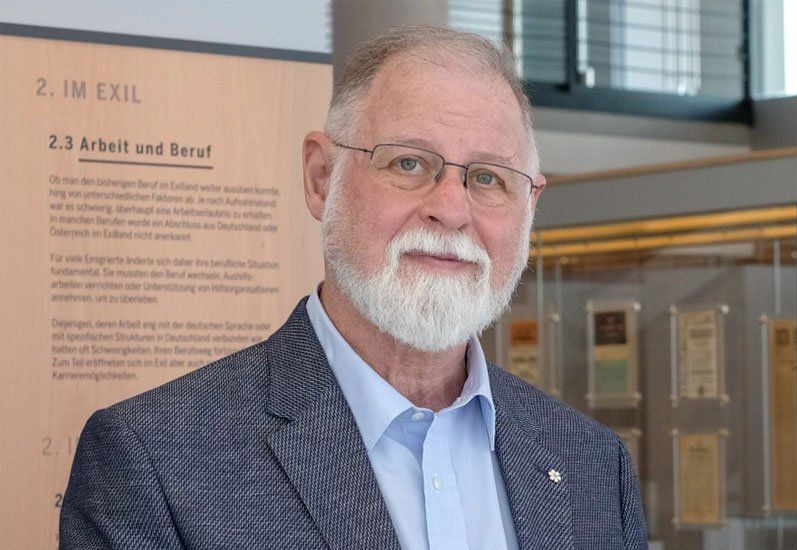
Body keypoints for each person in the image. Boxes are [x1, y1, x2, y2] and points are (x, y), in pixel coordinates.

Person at [60, 25, 647, 549]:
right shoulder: (156, 461)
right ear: (321, 178)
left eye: (488, 177)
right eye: (410, 164)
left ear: (529, 205)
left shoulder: (594, 465)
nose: (451, 210)